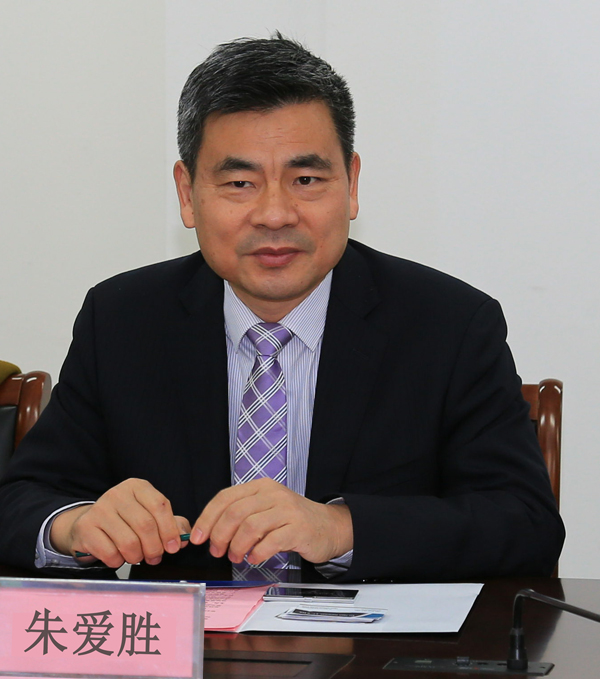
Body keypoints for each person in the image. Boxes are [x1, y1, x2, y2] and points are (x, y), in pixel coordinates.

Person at [0, 34, 564, 582]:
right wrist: (75, 526)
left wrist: (339, 528)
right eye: (240, 182)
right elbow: (20, 499)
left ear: (352, 184)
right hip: (193, 641)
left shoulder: (449, 324)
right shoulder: (123, 320)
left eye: (306, 179)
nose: (275, 214)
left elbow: (526, 524)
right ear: (187, 194)